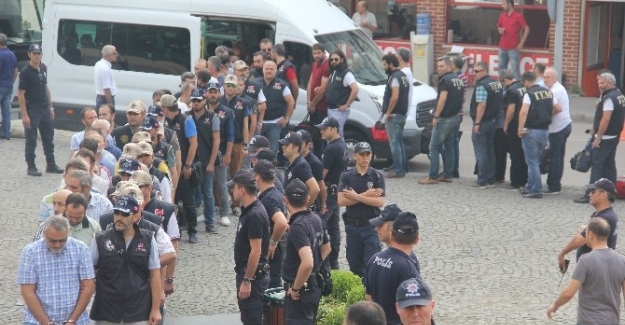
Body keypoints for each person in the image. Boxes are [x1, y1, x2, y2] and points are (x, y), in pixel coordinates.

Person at [90, 195, 162, 325]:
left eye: (124, 214)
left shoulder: (148, 239)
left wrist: (155, 310)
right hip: (107, 310)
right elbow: (89, 274)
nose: (119, 217)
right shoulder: (99, 239)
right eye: (116, 213)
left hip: (138, 309)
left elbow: (155, 276)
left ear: (135, 216)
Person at [17, 215, 95, 325]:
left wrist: (72, 320)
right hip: (37, 321)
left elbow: (88, 287)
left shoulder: (81, 249)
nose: (58, 245)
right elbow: (28, 291)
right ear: (44, 234)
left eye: (62, 240)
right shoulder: (30, 252)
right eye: (53, 241)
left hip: (77, 320)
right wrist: (46, 322)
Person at [547, 217, 625, 324]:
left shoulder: (586, 260)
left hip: (588, 320)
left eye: (585, 233)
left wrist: (555, 306)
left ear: (591, 235)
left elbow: (568, 293)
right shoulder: (622, 260)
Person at [282, 179, 331, 325]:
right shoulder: (316, 219)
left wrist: (296, 288)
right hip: (313, 288)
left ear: (286, 200)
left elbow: (307, 263)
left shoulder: (297, 226)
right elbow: (326, 248)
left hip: (300, 292)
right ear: (308, 199)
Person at [574, 72, 624, 203]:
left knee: (597, 166)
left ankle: (590, 194)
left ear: (610, 82)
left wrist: (598, 137)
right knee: (609, 164)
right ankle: (611, 192)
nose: (599, 85)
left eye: (602, 83)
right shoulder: (618, 94)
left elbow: (605, 119)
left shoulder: (609, 98)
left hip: (605, 137)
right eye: (599, 82)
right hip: (614, 135)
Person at [338, 142, 385, 277]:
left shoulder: (377, 176)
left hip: (371, 226)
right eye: (362, 154)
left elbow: (379, 202)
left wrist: (355, 196)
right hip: (352, 226)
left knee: (371, 263)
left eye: (367, 154)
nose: (365, 158)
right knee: (354, 265)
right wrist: (366, 195)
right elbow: (341, 200)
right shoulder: (347, 176)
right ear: (355, 156)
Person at [365, 212, 421, 325]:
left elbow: (369, 297)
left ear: (391, 235)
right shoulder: (408, 268)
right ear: (416, 240)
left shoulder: (374, 259)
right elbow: (413, 309)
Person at [18, 44, 65, 176]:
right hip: (32, 108)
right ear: (29, 54)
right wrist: (25, 114)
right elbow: (21, 93)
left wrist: (51, 107)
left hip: (44, 108)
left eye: (39, 53)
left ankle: (51, 164)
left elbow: (45, 87)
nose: (37, 56)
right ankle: (31, 166)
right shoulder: (25, 72)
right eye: (34, 53)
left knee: (48, 137)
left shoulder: (43, 67)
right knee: (31, 139)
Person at [231, 170, 271, 325]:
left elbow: (256, 250)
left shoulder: (254, 214)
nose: (232, 191)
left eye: (234, 187)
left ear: (242, 190)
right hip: (251, 275)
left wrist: (247, 280)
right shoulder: (250, 211)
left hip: (253, 279)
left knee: (252, 319)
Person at [419, 57, 463, 185]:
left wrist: (436, 116)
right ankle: (448, 174)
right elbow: (462, 97)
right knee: (449, 147)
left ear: (449, 66)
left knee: (433, 147)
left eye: (442, 66)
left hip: (445, 118)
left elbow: (443, 99)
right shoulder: (457, 79)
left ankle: (432, 176)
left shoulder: (444, 80)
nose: (439, 68)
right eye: (438, 66)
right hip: (455, 117)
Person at [558, 178, 620, 267]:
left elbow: (579, 240)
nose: (590, 194)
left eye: (593, 191)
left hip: (595, 270)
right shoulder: (606, 214)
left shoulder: (604, 218)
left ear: (603, 195)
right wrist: (586, 228)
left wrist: (562, 254)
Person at [163, 94, 199, 242]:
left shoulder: (186, 120)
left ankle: (193, 231)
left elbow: (193, 144)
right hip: (169, 167)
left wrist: (187, 165)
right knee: (172, 199)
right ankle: (175, 229)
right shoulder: (163, 121)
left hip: (184, 166)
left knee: (188, 200)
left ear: (165, 109)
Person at [517, 71, 558, 199]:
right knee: (536, 161)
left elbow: (523, 112)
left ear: (527, 81)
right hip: (545, 130)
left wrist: (520, 129)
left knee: (532, 162)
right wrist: (546, 116)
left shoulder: (529, 93)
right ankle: (530, 186)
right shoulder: (547, 92)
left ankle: (536, 190)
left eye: (524, 84)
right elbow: (557, 108)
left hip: (532, 130)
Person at [316, 116, 347, 270]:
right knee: (334, 226)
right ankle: (333, 260)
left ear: (334, 129)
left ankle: (324, 259)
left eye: (325, 129)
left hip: (329, 192)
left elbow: (323, 174)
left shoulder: (332, 148)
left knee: (320, 224)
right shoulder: (342, 145)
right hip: (337, 190)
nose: (321, 131)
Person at [188, 86, 220, 234]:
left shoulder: (212, 117)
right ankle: (190, 222)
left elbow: (216, 141)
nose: (195, 103)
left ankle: (210, 222)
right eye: (193, 100)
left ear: (204, 100)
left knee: (208, 193)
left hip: (207, 160)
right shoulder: (187, 117)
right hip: (192, 161)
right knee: (192, 193)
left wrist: (212, 162)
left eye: (198, 100)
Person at [254, 159, 288, 289]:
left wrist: (272, 243)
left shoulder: (268, 199)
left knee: (271, 285)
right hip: (279, 248)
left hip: (273, 252)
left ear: (257, 177)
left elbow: (281, 222)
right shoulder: (276, 193)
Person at [469, 61, 503, 189]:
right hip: (493, 121)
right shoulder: (496, 83)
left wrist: (477, 123)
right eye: (474, 71)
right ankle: (491, 179)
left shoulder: (482, 85)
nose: (474, 74)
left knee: (481, 151)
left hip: (483, 122)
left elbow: (481, 105)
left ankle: (482, 180)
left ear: (484, 71)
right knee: (490, 151)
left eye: (476, 71)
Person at [206, 81, 234, 226]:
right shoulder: (202, 110)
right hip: (205, 154)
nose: (212, 95)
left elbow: (230, 135)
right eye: (210, 92)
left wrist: (228, 153)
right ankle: (208, 212)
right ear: (206, 94)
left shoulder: (227, 112)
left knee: (221, 184)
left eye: (215, 92)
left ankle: (224, 213)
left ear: (219, 93)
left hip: (221, 152)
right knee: (207, 185)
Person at [34, 192, 102, 245]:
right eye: (70, 216)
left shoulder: (94, 227)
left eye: (78, 217)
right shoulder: (50, 224)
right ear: (65, 209)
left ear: (85, 211)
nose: (74, 220)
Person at [544, 67, 572, 195]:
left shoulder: (555, 90)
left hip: (558, 128)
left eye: (548, 77)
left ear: (555, 78)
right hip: (562, 126)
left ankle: (554, 186)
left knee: (555, 157)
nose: (545, 80)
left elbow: (556, 109)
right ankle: (554, 184)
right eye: (544, 77)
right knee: (557, 156)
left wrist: (546, 118)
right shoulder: (556, 88)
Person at [369, 204, 420, 273]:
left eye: (380, 225)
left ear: (392, 228)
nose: (376, 229)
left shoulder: (408, 261)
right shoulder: (406, 259)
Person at [382, 54, 409, 179]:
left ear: (391, 64)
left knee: (394, 143)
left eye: (385, 64)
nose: (383, 67)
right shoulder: (403, 75)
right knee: (399, 141)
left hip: (394, 114)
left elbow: (395, 96)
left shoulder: (394, 77)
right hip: (402, 113)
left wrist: (388, 112)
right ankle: (401, 166)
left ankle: (398, 170)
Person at [260, 60, 295, 157]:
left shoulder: (282, 85)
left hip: (275, 123)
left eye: (271, 69)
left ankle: (271, 170)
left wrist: (286, 118)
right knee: (257, 149)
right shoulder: (255, 83)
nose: (269, 71)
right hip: (258, 123)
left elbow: (291, 102)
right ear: (263, 70)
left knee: (272, 151)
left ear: (276, 71)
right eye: (267, 69)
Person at [501, 70, 528, 190]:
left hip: (515, 124)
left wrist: (506, 124)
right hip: (525, 122)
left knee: (515, 153)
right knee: (524, 153)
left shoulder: (511, 91)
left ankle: (515, 181)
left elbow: (511, 110)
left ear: (505, 81)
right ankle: (524, 179)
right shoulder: (523, 86)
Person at [221, 74, 251, 183]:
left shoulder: (243, 103)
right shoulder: (218, 101)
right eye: (228, 85)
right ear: (224, 85)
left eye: (233, 85)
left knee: (236, 176)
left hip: (237, 142)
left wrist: (245, 146)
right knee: (220, 176)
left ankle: (235, 200)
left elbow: (245, 125)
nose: (230, 88)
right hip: (222, 143)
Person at [325, 49, 358, 137]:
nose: (333, 62)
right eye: (331, 60)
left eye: (336, 59)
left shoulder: (346, 74)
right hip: (331, 109)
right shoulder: (335, 71)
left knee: (334, 136)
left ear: (342, 60)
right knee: (336, 136)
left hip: (339, 111)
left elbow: (355, 89)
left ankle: (339, 151)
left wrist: (346, 105)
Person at [279, 132, 320, 202]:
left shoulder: (301, 165)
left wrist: (303, 208)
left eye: (287, 145)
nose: (283, 147)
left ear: (295, 148)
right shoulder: (292, 163)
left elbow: (315, 189)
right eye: (283, 144)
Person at [307, 43, 330, 157]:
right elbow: (310, 83)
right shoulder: (315, 64)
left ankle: (323, 157)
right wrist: (308, 101)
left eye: (318, 53)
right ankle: (316, 156)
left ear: (324, 53)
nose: (316, 55)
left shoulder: (326, 66)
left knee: (322, 135)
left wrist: (313, 104)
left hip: (322, 107)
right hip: (313, 106)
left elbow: (323, 89)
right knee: (315, 134)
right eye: (314, 53)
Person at [497, 0, 529, 80]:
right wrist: (500, 30)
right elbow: (499, 26)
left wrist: (521, 43)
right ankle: (501, 88)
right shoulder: (502, 15)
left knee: (514, 70)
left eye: (504, 4)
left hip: (513, 47)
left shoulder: (518, 16)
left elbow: (527, 29)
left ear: (510, 4)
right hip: (502, 46)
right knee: (501, 69)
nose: (502, 5)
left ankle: (516, 89)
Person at [297, 129, 326, 213]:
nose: (297, 146)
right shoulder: (296, 159)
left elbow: (321, 187)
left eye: (300, 143)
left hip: (310, 204)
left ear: (308, 145)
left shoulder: (314, 163)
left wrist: (323, 205)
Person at [450, 56, 468, 178]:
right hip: (459, 112)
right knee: (454, 141)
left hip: (454, 113)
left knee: (452, 142)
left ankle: (453, 168)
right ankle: (454, 167)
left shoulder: (455, 78)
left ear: (454, 65)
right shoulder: (463, 77)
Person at [0, 33, 18, 140]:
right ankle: (6, 133)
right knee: (6, 110)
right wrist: (11, 82)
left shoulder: (0, 55)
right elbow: (15, 72)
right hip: (8, 86)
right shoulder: (12, 54)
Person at [94, 45, 118, 109]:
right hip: (105, 100)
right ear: (108, 55)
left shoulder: (99, 63)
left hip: (101, 98)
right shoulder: (105, 68)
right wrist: (110, 105)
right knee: (107, 118)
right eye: (114, 53)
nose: (116, 55)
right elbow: (106, 89)